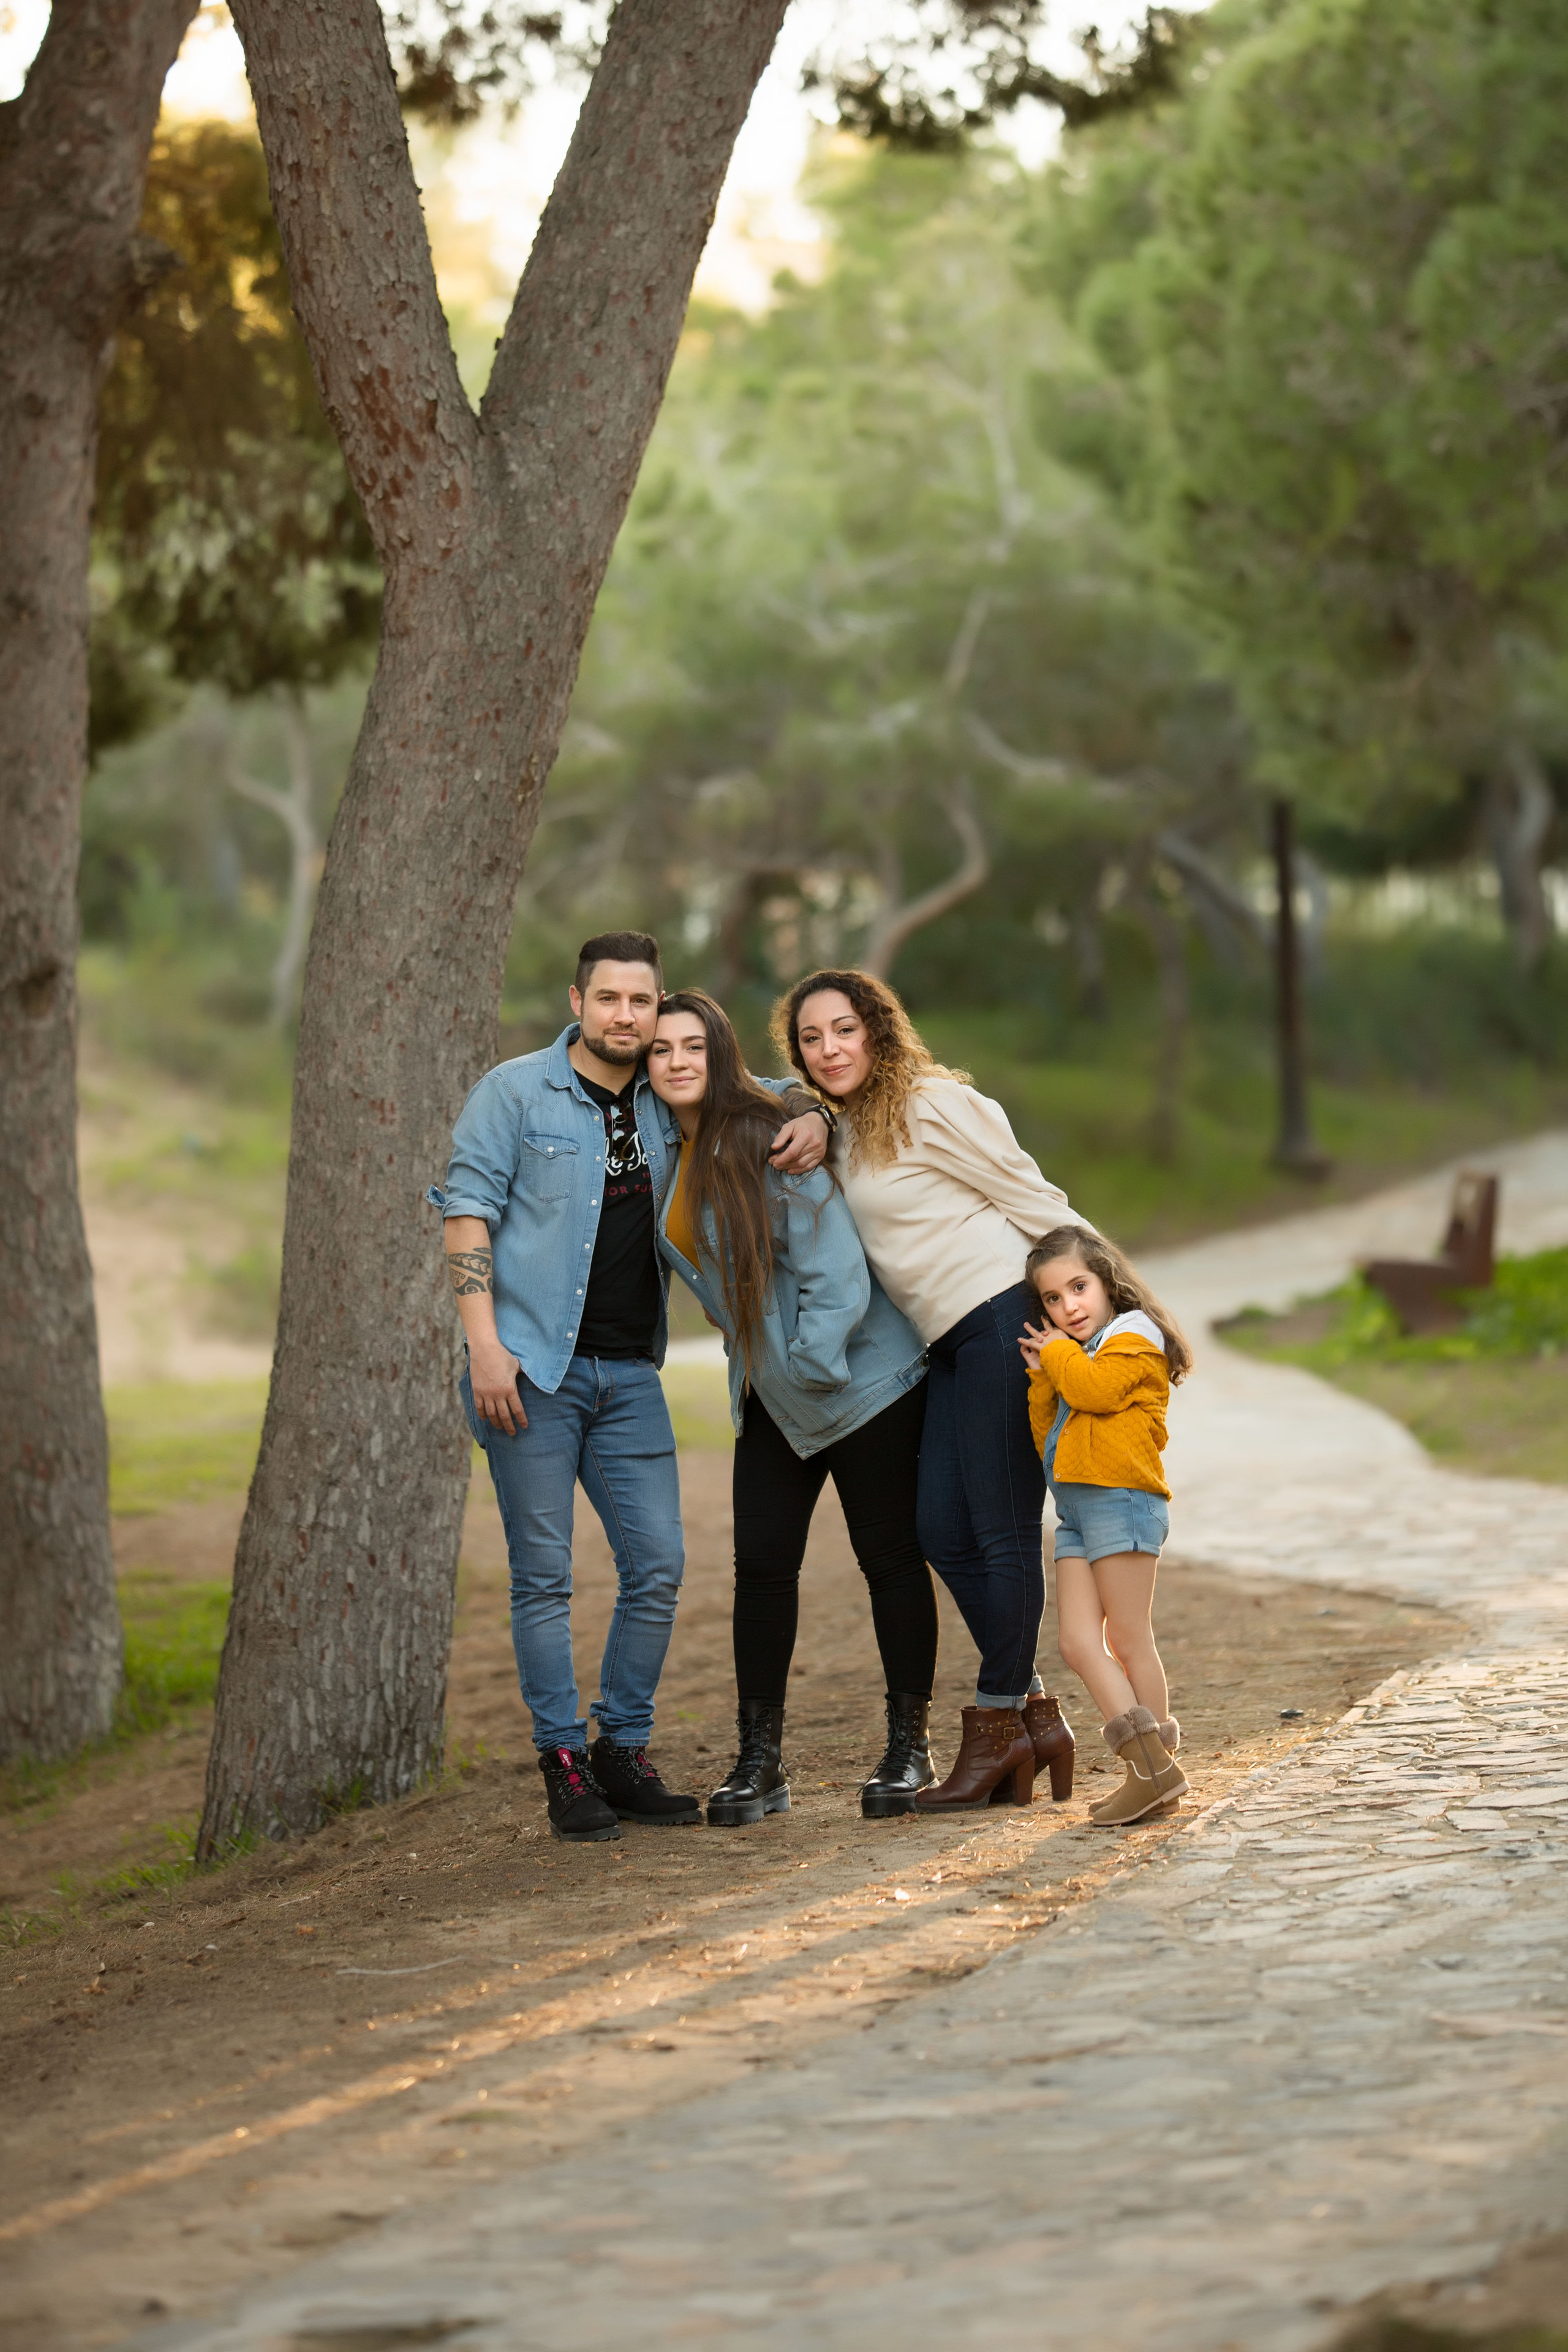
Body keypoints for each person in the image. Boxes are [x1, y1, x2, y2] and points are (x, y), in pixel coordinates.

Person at [430, 931, 831, 1844]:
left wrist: (816, 1113)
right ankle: (563, 1762)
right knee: (545, 1577)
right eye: (607, 999)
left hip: (629, 1373)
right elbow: (466, 1215)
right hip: (530, 1373)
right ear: (577, 1002)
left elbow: (760, 1093)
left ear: (657, 1010)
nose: (625, 1016)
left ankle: (625, 1748)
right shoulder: (514, 1093)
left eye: (640, 1003)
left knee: (658, 1565)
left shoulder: (664, 1094)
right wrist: (483, 1348)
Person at [771, 968, 1078, 1812]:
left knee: (1003, 1530)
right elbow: (761, 1098)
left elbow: (1036, 1199)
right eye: (810, 1038)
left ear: (877, 1027)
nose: (830, 1049)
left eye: (844, 1029)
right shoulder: (845, 1121)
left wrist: (1115, 1309)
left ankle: (995, 1728)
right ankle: (1035, 1716)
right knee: (940, 1529)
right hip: (946, 1343)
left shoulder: (933, 1103)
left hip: (1002, 1318)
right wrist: (801, 1110)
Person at [646, 991, 937, 1824]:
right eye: (661, 1050)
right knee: (762, 1571)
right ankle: (760, 1765)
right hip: (770, 1396)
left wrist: (806, 1363)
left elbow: (835, 1269)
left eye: (693, 1047)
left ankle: (909, 1750)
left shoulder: (764, 1132)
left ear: (718, 1053)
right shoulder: (667, 1147)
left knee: (889, 1562)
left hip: (860, 1382)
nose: (676, 1063)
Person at [1020, 1223, 1193, 1826]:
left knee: (1127, 1637)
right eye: (1051, 1299)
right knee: (1075, 1642)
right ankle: (1153, 1772)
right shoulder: (1076, 1355)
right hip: (1075, 1513)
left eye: (1077, 1287)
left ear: (1106, 1282)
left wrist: (1058, 1356)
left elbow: (1094, 1394)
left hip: (1122, 1500)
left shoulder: (1133, 1336)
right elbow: (1051, 1438)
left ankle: (1150, 1770)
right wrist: (1043, 1378)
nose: (1068, 1307)